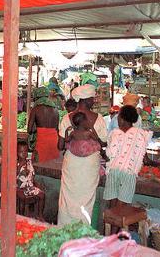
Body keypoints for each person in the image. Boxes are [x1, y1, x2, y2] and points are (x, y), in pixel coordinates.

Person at [57, 84, 108, 225]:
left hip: (71, 162)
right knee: (87, 198)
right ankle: (83, 230)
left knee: (67, 197)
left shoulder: (67, 119)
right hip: (90, 164)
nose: (94, 101)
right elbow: (104, 142)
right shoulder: (98, 119)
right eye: (92, 98)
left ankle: (64, 229)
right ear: (86, 100)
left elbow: (60, 146)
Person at [104, 105, 151, 207]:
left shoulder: (114, 133)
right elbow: (145, 159)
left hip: (113, 171)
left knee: (112, 204)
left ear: (122, 119)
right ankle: (118, 221)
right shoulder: (141, 134)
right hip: (129, 173)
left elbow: (108, 155)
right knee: (122, 205)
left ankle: (111, 221)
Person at [27, 87, 59, 162]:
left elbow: (29, 129)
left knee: (38, 164)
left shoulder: (36, 109)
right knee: (51, 165)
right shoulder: (55, 109)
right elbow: (57, 128)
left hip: (41, 140)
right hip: (54, 140)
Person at [17, 141, 45, 221]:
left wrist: (35, 184)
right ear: (17, 152)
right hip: (19, 187)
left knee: (42, 195)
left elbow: (32, 174)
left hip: (29, 186)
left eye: (25, 151)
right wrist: (20, 167)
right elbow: (14, 175)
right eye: (21, 152)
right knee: (22, 197)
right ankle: (21, 217)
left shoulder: (29, 162)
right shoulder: (16, 163)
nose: (23, 153)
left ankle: (39, 215)